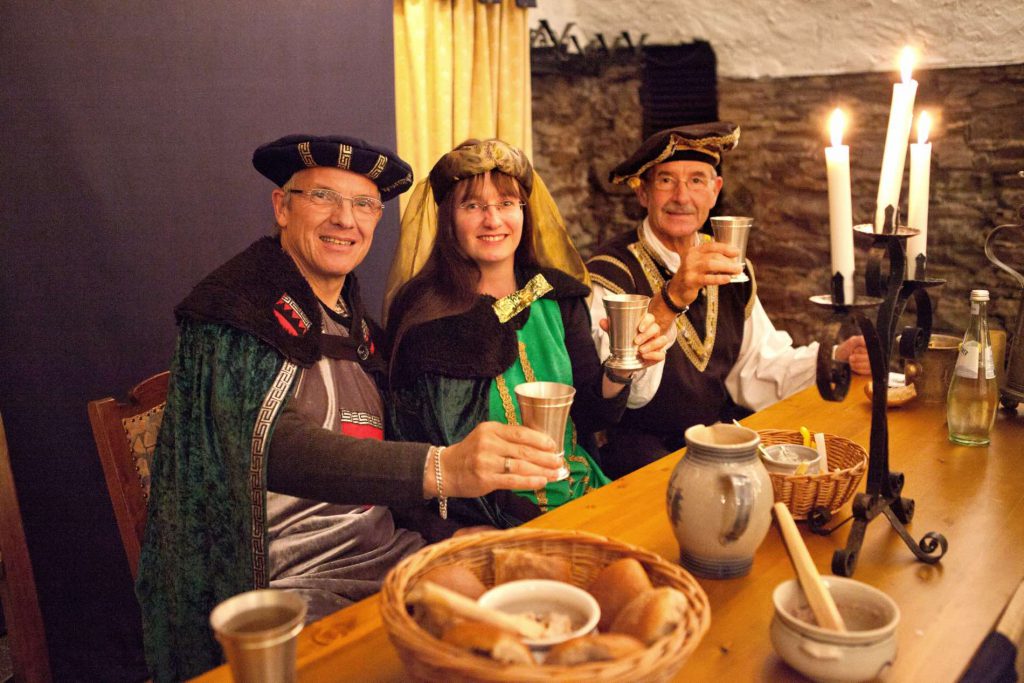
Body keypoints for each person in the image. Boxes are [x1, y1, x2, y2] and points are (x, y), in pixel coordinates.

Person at [136, 134, 564, 682]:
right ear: (282, 207)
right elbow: (270, 446)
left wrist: (446, 535)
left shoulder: (358, 323)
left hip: (386, 554)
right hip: (281, 584)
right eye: (322, 198)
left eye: (364, 205)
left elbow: (380, 459)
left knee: (525, 613)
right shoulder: (235, 307)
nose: (346, 220)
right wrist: (443, 468)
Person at [384, 138, 668, 532]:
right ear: (448, 218)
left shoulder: (556, 295)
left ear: (524, 212)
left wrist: (621, 368)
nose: (493, 220)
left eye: (505, 204)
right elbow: (413, 453)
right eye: (473, 206)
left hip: (580, 491)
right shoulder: (423, 313)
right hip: (487, 517)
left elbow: (587, 416)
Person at [587, 122, 869, 479]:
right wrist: (671, 297)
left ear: (715, 190)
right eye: (665, 180)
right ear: (642, 193)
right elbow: (621, 392)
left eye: (697, 180)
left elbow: (760, 368)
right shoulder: (611, 273)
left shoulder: (731, 267)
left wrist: (836, 357)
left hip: (715, 446)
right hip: (638, 460)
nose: (682, 196)